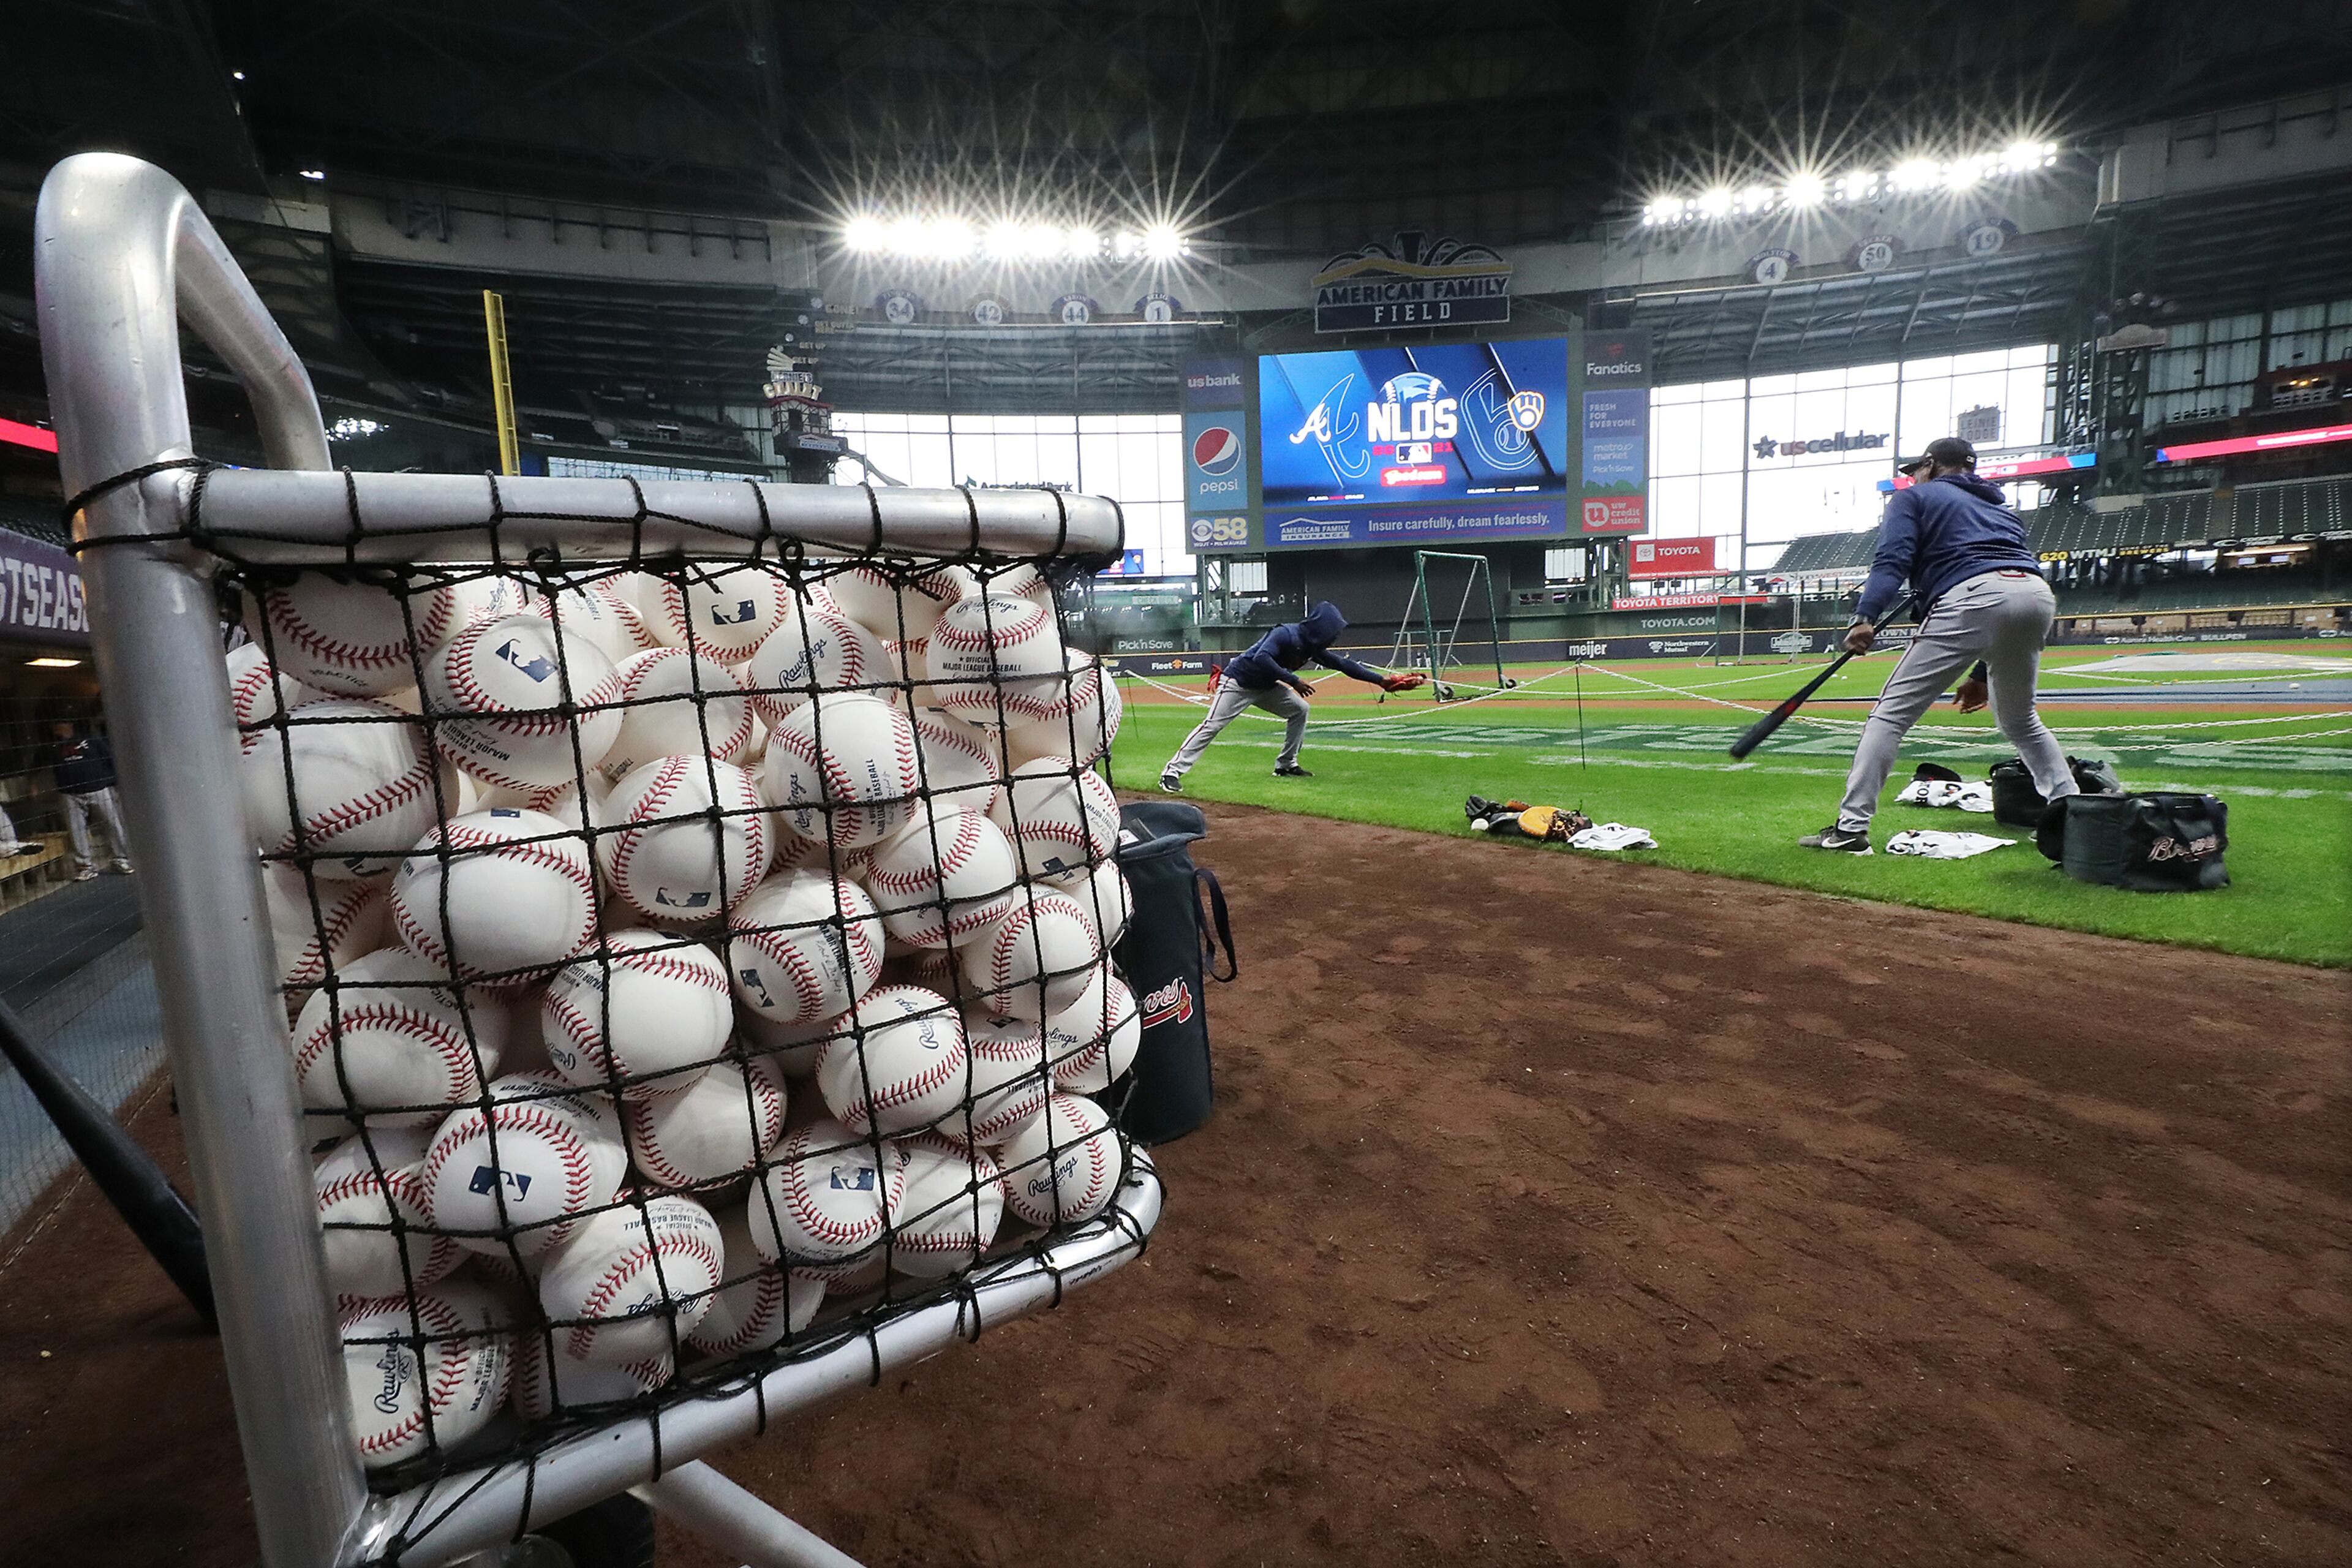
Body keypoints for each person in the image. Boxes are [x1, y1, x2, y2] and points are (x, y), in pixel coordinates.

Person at [1800, 436, 2076, 853]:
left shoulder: (1916, 498)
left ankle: (1851, 829)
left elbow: (1892, 560)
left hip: (1971, 596)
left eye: (1916, 470)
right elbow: (2007, 590)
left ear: (1930, 465)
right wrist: (1982, 673)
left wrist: (1865, 617)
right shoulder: (2000, 509)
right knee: (2021, 722)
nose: (1912, 477)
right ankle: (2074, 818)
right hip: (2035, 596)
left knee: (1890, 716)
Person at [1160, 600, 1418, 790]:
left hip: (1266, 686)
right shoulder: (1286, 633)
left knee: (1299, 710)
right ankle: (1171, 773)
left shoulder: (1312, 646)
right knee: (1212, 725)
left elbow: (1343, 665)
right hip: (1238, 681)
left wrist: (1381, 681)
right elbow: (1262, 657)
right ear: (1323, 628)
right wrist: (1293, 680)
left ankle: (1286, 765)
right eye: (1334, 632)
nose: (1336, 637)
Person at [50, 719, 135, 880]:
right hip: (69, 793)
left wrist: (112, 781)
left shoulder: (91, 740)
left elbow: (110, 759)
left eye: (58, 725)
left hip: (98, 788)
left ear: (68, 725)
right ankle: (85, 866)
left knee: (112, 823)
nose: (55, 729)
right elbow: (40, 763)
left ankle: (121, 859)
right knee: (77, 830)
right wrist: (33, 782)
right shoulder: (54, 746)